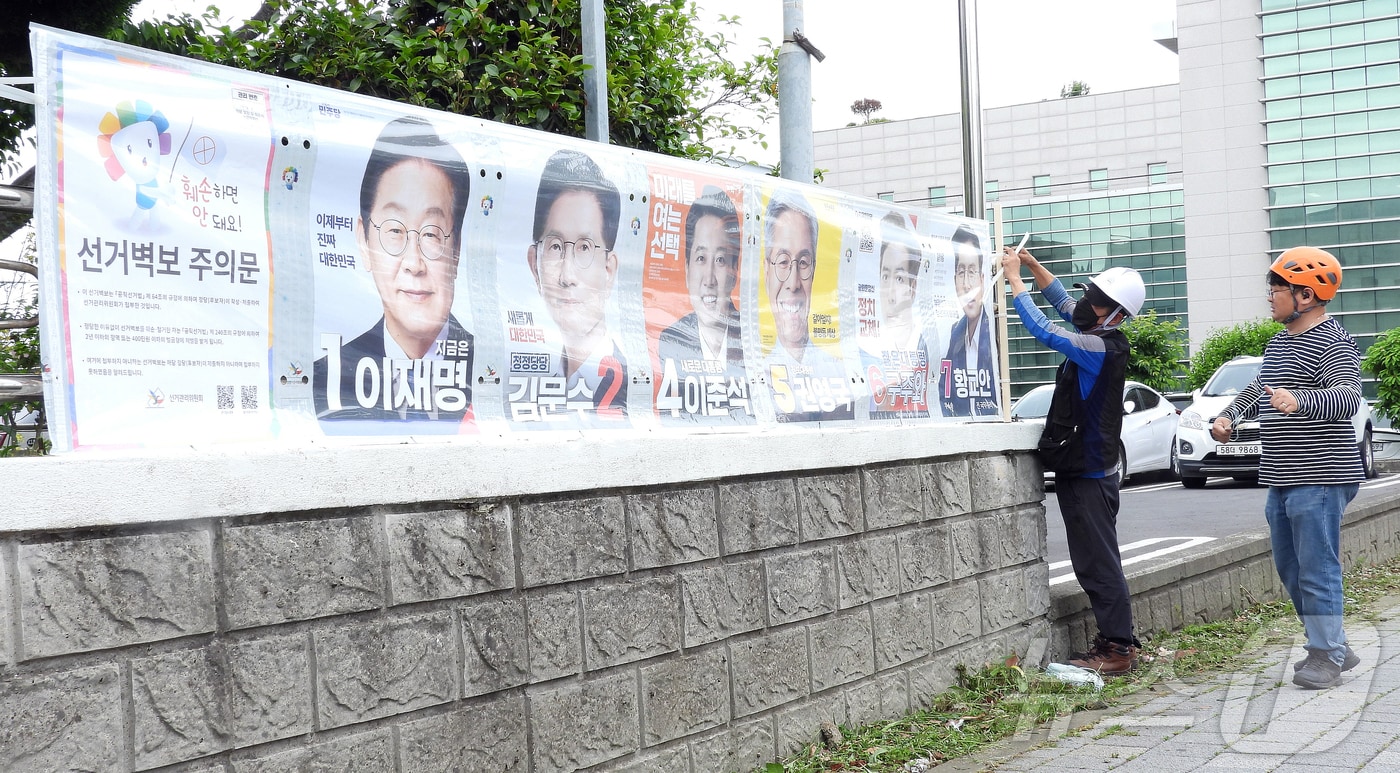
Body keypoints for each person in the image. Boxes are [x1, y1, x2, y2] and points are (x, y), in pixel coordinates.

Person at [1210, 247, 1364, 690]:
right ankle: (1332, 642)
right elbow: (1262, 386)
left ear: (1307, 295)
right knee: (1291, 567)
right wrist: (1231, 416)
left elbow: (1349, 398)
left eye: (1277, 289)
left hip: (1320, 474)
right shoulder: (1280, 342)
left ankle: (1326, 655)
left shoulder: (1334, 341)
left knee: (1317, 567)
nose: (1271, 296)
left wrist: (1301, 401)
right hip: (1281, 474)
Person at [1002, 245, 1146, 674]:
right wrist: (1029, 265)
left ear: (1115, 315)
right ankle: (1115, 642)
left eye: (1096, 300)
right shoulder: (1098, 332)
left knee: (1096, 562)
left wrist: (1014, 282)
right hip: (1085, 469)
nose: (1084, 304)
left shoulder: (1099, 348)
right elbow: (1063, 301)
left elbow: (1046, 330)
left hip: (1089, 473)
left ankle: (1118, 649)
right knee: (1096, 558)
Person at [313, 116, 474, 423]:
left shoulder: (494, 373)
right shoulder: (325, 379)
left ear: (457, 248)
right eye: (395, 231)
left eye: (431, 234)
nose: (413, 263)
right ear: (364, 242)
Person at [525, 148, 627, 418]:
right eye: (556, 247)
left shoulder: (634, 385)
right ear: (534, 264)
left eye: (584, 248)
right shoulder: (523, 386)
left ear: (609, 269)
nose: (567, 276)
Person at [656, 186, 751, 422]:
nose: (709, 279)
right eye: (700, 258)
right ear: (687, 269)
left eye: (720, 260)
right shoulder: (671, 341)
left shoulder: (753, 341)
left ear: (734, 271)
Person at [762, 188, 853, 422]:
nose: (793, 283)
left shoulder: (840, 374)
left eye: (803, 262)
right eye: (782, 261)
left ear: (813, 269)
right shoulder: (754, 376)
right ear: (766, 271)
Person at [864, 211, 932, 418]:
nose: (890, 292)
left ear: (913, 286)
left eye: (900, 278)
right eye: (885, 276)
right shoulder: (867, 349)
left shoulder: (927, 347)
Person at [940, 225, 998, 417]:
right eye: (961, 272)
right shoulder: (954, 335)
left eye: (972, 272)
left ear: (982, 279)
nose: (966, 285)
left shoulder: (996, 332)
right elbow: (944, 395)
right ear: (954, 279)